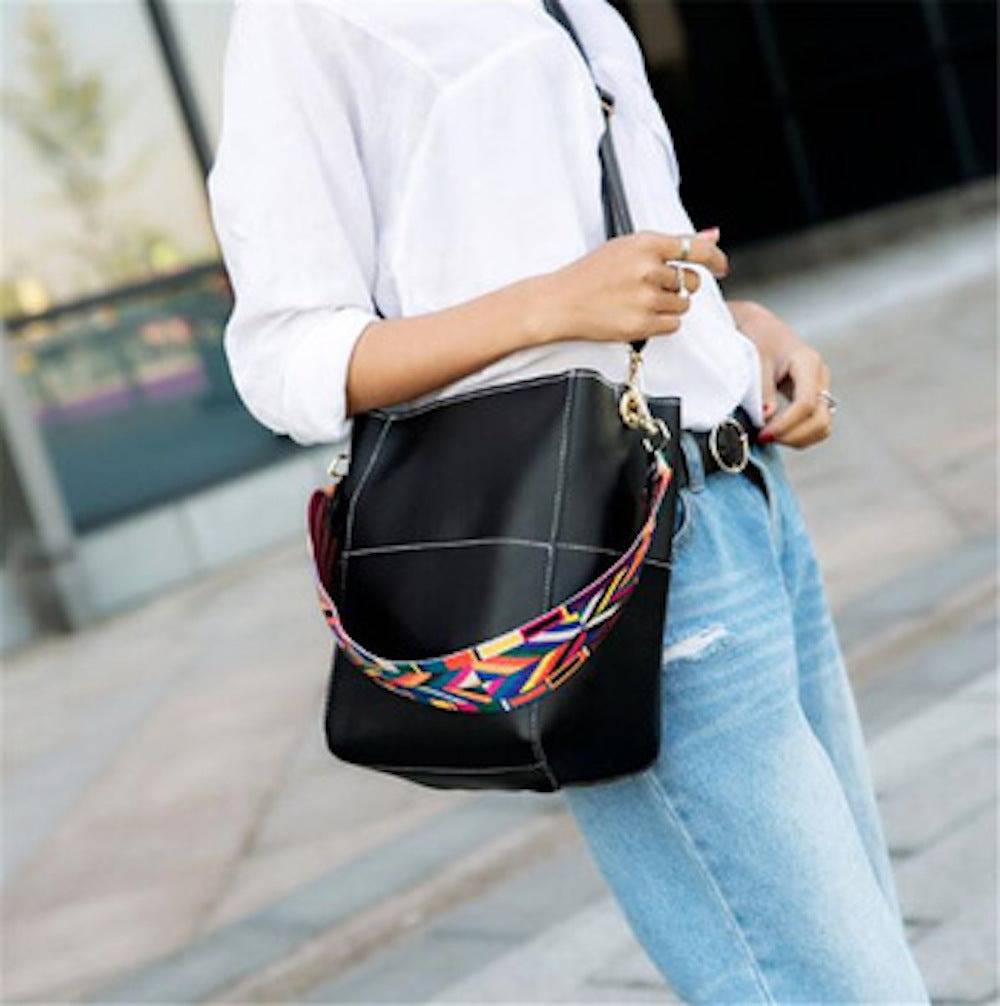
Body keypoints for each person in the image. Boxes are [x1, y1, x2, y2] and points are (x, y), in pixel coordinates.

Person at [207, 1, 930, 1001]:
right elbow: (282, 354)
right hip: (613, 552)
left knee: (851, 959)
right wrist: (549, 303)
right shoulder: (309, 16)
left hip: (743, 499)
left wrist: (737, 329)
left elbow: (609, 257)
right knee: (835, 983)